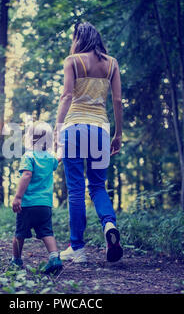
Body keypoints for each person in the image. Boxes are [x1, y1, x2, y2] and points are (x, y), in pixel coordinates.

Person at [55, 22, 123, 263]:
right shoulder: (112, 64)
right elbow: (117, 100)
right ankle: (109, 226)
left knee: (75, 188)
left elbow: (66, 95)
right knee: (97, 186)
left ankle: (78, 249)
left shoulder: (72, 61)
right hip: (101, 129)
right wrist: (118, 134)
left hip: (74, 127)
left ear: (78, 38)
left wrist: (57, 130)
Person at [11, 121, 63, 274]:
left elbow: (26, 174)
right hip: (45, 205)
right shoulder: (49, 158)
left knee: (20, 233)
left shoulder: (29, 156)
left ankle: (16, 260)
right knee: (47, 232)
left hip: (28, 204)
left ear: (30, 139)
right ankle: (54, 257)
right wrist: (61, 148)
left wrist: (18, 197)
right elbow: (57, 160)